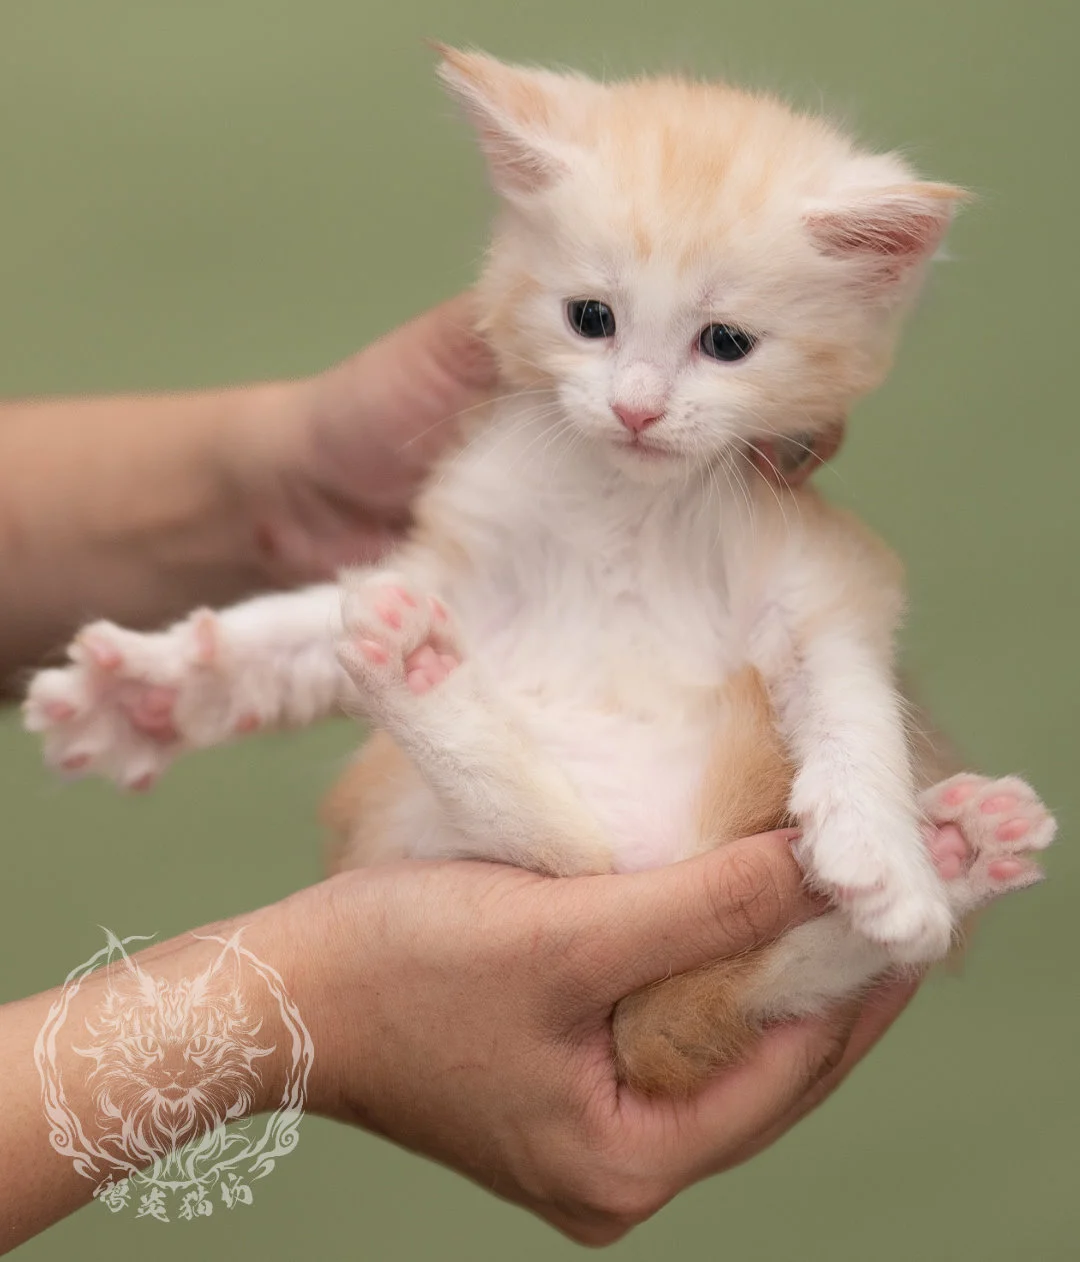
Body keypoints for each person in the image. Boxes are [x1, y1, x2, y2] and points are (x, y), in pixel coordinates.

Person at [0, 296, 913, 1250]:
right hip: (551, 798)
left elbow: (404, 606)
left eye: (723, 340)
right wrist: (300, 998)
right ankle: (485, 761)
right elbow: (411, 609)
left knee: (747, 872)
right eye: (596, 316)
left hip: (606, 788)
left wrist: (235, 617)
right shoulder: (533, 471)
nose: (639, 395)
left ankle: (827, 905)